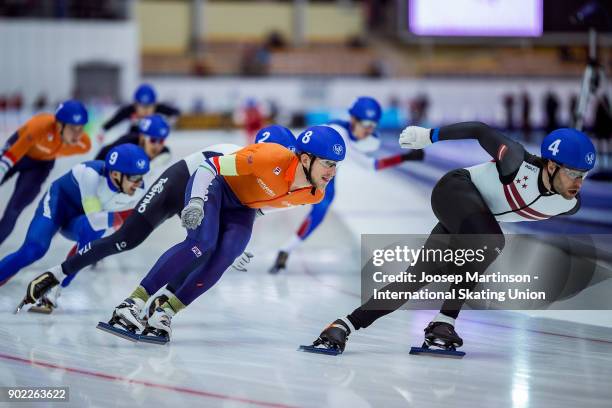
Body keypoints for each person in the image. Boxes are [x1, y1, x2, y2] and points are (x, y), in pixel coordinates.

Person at [307, 122, 596, 354]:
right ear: (551, 165)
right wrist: (428, 136)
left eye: (584, 174)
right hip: (454, 190)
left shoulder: (568, 203)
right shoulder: (517, 162)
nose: (578, 182)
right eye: (572, 173)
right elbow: (479, 130)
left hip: (474, 219)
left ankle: (343, 325)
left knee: (415, 277)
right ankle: (445, 319)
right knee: (492, 242)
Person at [17, 126, 298, 314]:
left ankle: (163, 304)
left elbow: (249, 211)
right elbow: (210, 179)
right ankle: (57, 274)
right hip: (180, 184)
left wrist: (232, 246)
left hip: (207, 197)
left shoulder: (281, 186)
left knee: (204, 250)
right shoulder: (233, 153)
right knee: (126, 239)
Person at [269, 96, 424, 273]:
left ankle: (285, 250)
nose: (369, 130)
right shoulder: (339, 132)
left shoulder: (364, 137)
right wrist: (404, 157)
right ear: (353, 119)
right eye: (366, 124)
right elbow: (370, 164)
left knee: (319, 212)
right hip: (306, 169)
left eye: (373, 125)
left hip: (323, 174)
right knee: (278, 198)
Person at [0, 144, 150, 293]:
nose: (139, 183)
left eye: (141, 177)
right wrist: (128, 215)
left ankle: (56, 289)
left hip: (79, 220)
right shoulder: (91, 174)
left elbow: (94, 232)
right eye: (134, 177)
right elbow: (96, 220)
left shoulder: (139, 190)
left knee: (94, 235)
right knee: (34, 249)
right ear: (116, 174)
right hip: (58, 206)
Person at [0, 100, 91, 246]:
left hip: (40, 165)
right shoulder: (40, 127)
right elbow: (9, 158)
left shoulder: (84, 145)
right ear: (59, 125)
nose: (78, 134)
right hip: (18, 153)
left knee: (14, 210)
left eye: (81, 128)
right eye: (73, 128)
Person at [99, 84, 180, 140]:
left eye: (148, 106)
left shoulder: (159, 108)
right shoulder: (129, 110)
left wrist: (169, 121)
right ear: (135, 105)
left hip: (153, 138)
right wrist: (103, 130)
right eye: (142, 106)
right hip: (133, 137)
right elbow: (115, 120)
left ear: (155, 105)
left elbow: (176, 112)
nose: (145, 110)